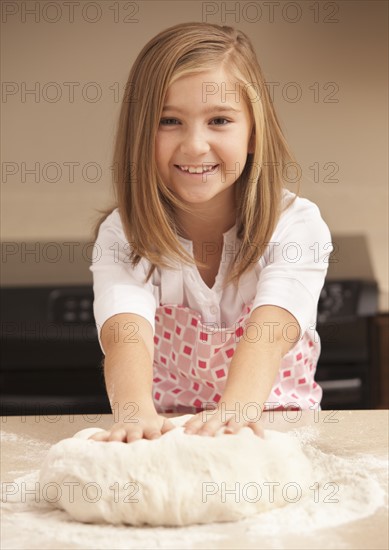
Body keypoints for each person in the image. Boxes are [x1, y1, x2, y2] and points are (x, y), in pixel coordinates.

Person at [89, 22, 333, 443]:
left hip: (274, 434)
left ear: (254, 132)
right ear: (139, 132)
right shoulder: (125, 235)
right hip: (167, 438)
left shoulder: (296, 225)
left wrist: (235, 413)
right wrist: (134, 415)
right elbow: (124, 334)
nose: (195, 145)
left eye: (219, 120)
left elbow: (269, 332)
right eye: (170, 121)